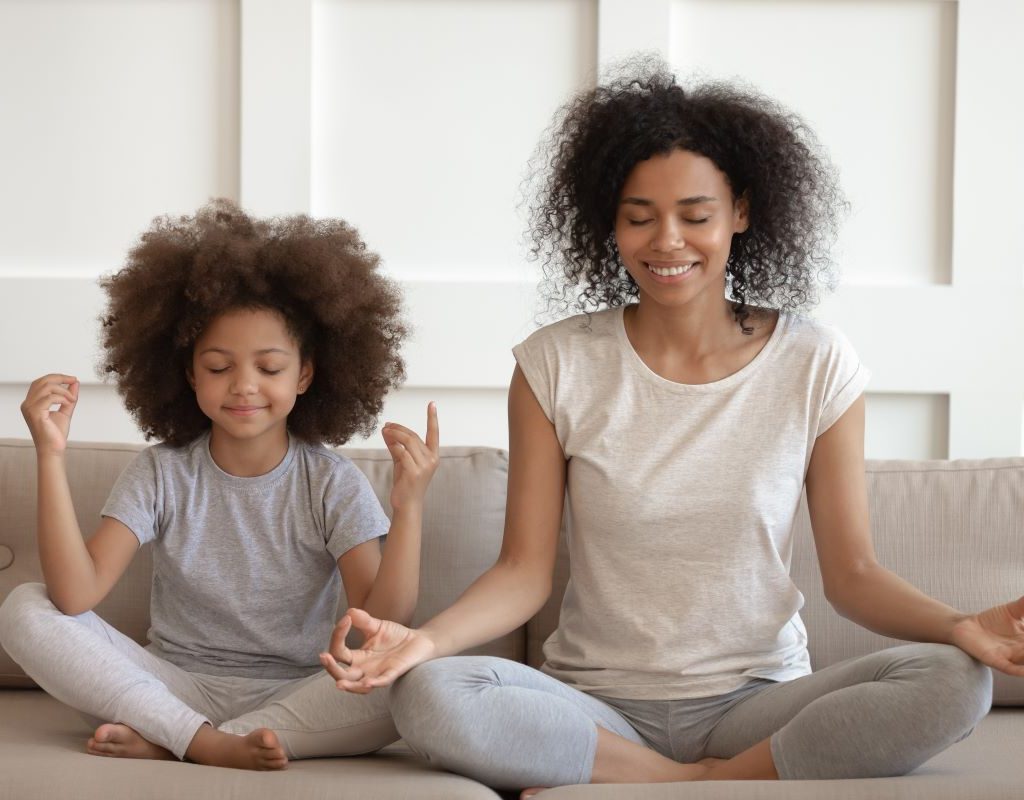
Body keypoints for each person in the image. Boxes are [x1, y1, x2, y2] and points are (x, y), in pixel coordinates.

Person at [319, 61, 1023, 795]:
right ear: (609, 222)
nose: (667, 241)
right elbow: (524, 573)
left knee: (954, 677)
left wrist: (958, 625)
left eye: (695, 214)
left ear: (740, 212)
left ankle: (686, 778)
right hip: (595, 706)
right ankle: (701, 780)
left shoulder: (816, 363)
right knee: (427, 690)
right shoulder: (554, 364)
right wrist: (424, 641)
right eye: (639, 216)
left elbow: (855, 577)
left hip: (758, 701)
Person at [0, 200, 440, 770]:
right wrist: (50, 454)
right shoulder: (161, 472)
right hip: (168, 684)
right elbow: (74, 597)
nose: (244, 386)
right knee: (24, 607)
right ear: (189, 374)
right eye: (217, 367)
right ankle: (205, 740)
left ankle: (174, 740)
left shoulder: (332, 481)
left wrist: (409, 508)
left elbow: (381, 623)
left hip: (296, 693)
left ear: (305, 374)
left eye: (269, 368)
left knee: (416, 671)